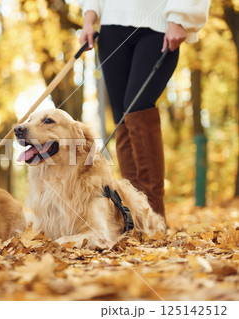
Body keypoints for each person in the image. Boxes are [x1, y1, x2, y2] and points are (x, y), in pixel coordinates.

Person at [79, 0, 210, 221]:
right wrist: (88, 18)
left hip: (159, 26)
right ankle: (135, 217)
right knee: (122, 116)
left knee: (138, 107)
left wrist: (180, 17)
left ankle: (155, 216)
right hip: (112, 26)